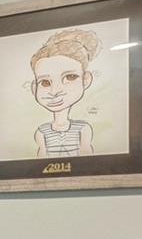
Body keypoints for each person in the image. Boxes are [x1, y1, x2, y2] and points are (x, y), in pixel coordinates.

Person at [27, 27, 100, 158]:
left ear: (86, 80)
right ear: (34, 88)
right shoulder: (41, 133)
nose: (55, 91)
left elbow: (88, 162)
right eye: (45, 83)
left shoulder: (83, 130)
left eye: (70, 77)